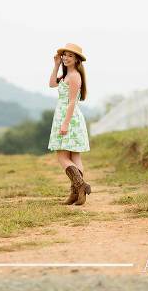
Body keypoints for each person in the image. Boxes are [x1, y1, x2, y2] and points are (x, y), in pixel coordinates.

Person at [48, 43, 92, 206]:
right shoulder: (66, 75)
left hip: (69, 118)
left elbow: (73, 101)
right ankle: (77, 194)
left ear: (77, 59)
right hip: (65, 116)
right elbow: (52, 83)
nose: (66, 57)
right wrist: (56, 65)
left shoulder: (74, 76)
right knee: (74, 156)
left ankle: (80, 186)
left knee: (62, 157)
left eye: (70, 56)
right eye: (64, 55)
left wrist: (65, 123)